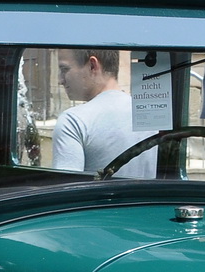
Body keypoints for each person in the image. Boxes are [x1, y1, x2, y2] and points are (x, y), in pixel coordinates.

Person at [51, 49, 153, 178]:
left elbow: (65, 191)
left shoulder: (73, 121)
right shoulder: (152, 115)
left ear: (92, 66)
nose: (60, 80)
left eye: (65, 69)